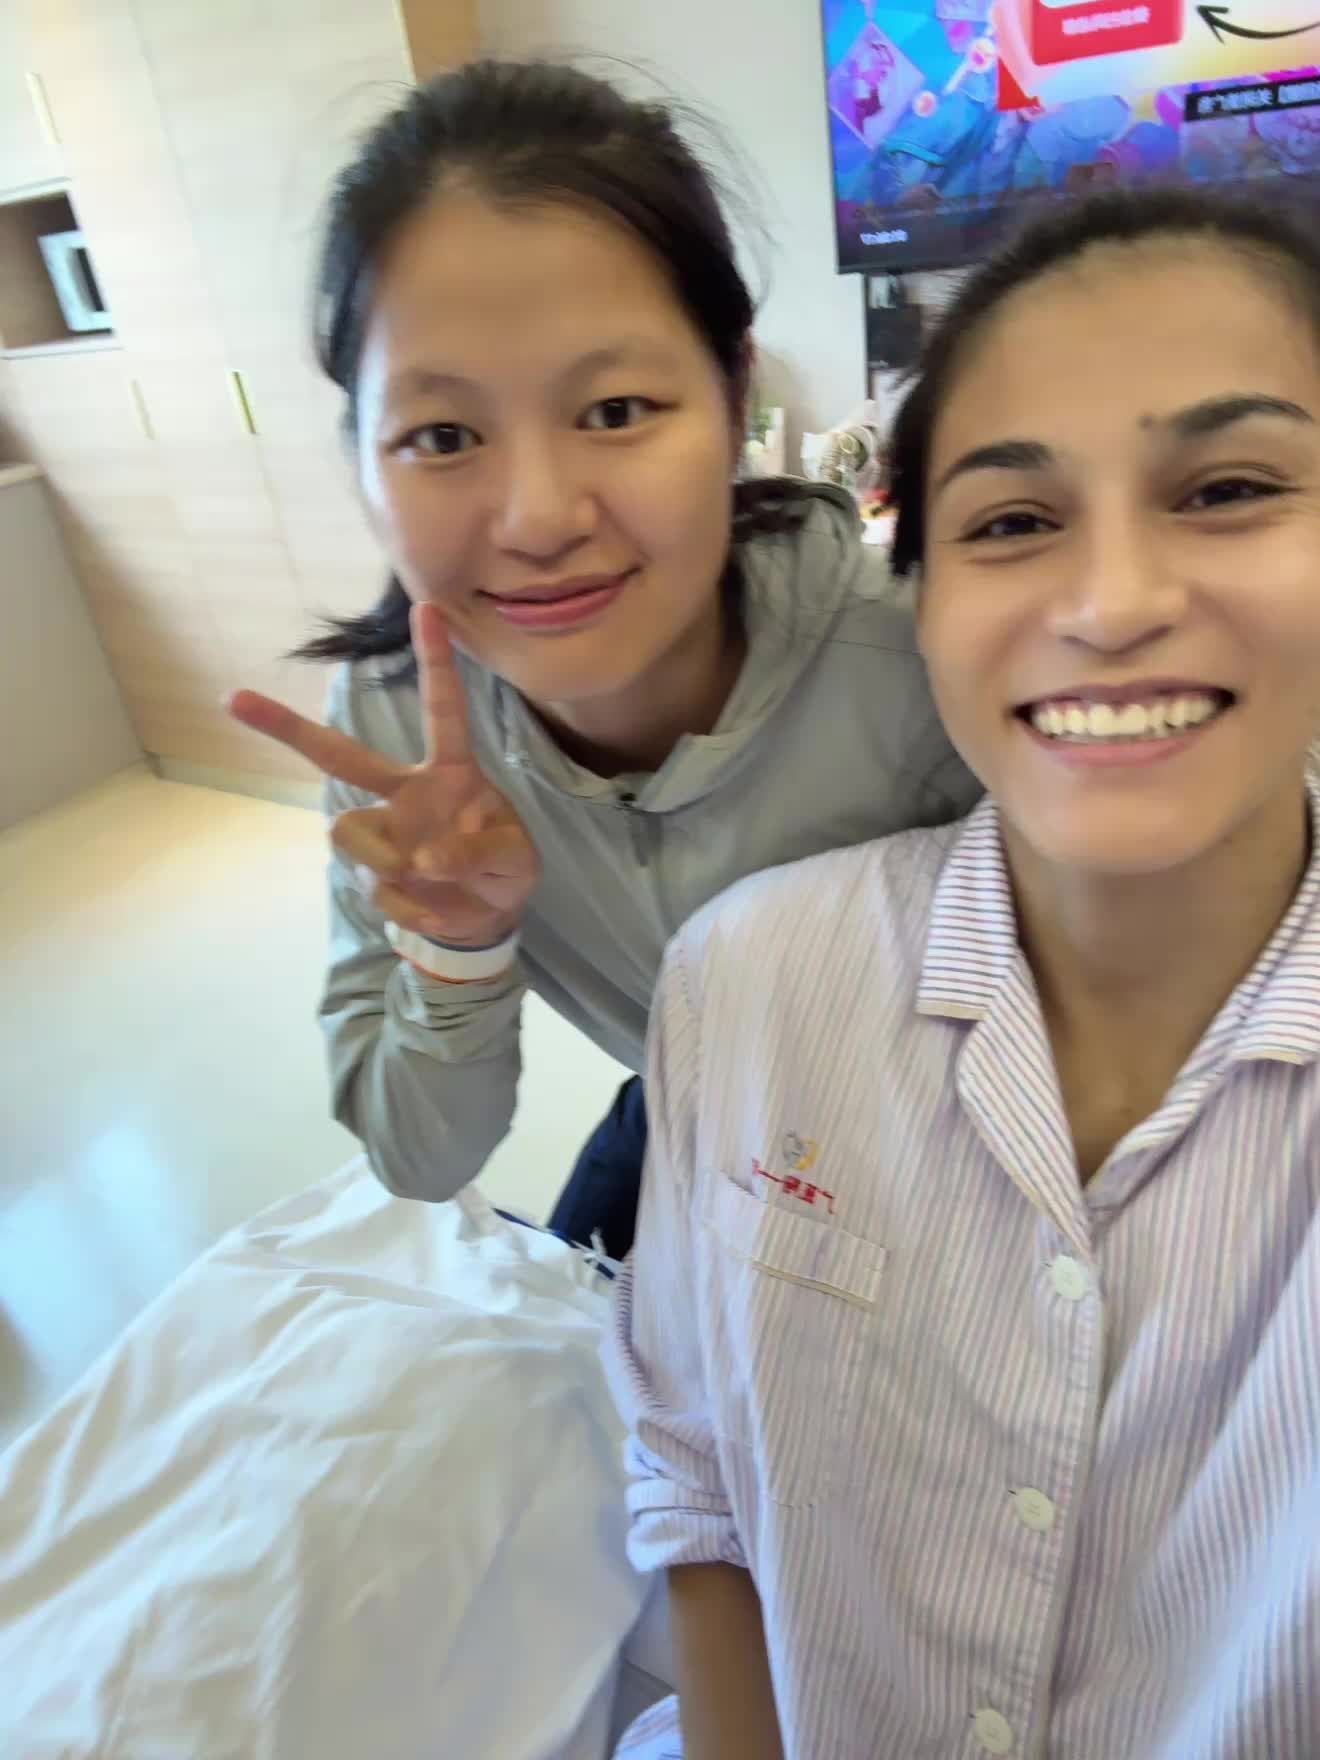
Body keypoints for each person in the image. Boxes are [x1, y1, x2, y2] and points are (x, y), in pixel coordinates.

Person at [607, 186, 1320, 1759]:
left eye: (1228, 490)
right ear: (920, 601)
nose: (1114, 604)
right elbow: (697, 1469)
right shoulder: (748, 979)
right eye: (1010, 522)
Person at [228, 60, 978, 1254]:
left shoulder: (933, 658)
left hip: (965, 1143)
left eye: (615, 410)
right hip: (695, 1104)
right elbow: (422, 1160)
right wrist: (457, 949)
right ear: (359, 458)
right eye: (442, 433)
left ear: (732, 396)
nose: (537, 520)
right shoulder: (397, 730)